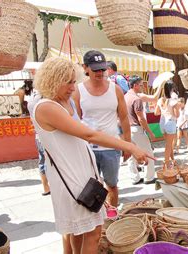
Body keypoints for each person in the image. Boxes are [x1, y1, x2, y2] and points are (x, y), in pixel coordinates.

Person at [32, 57, 153, 254]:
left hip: (80, 172)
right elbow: (89, 134)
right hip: (70, 176)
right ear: (52, 80)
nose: (73, 87)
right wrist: (130, 146)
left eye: (74, 81)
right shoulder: (46, 106)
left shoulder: (64, 100)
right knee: (93, 231)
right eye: (68, 82)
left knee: (80, 232)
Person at [72, 50, 131, 208]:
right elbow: (75, 122)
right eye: (95, 69)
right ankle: (98, 219)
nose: (100, 73)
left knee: (112, 184)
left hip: (111, 147)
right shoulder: (78, 90)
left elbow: (124, 118)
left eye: (102, 69)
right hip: (88, 148)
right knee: (92, 187)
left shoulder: (116, 89)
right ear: (85, 68)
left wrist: (128, 144)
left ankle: (112, 215)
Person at [124, 76, 157, 185]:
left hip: (128, 129)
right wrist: (150, 132)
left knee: (131, 155)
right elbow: (141, 119)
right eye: (141, 85)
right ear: (135, 86)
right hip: (136, 129)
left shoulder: (125, 97)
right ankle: (149, 177)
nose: (143, 87)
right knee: (148, 153)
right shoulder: (136, 99)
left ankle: (135, 178)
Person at [27, 90, 50, 196]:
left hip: (38, 135)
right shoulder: (42, 99)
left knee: (42, 161)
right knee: (48, 162)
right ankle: (51, 186)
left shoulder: (32, 98)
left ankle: (46, 187)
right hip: (45, 135)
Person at [155, 80, 181, 164]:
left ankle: (173, 160)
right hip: (170, 121)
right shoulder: (173, 99)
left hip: (162, 122)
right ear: (172, 88)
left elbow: (156, 113)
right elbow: (177, 115)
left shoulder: (160, 100)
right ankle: (166, 164)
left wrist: (164, 110)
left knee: (168, 143)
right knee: (169, 145)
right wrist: (178, 107)